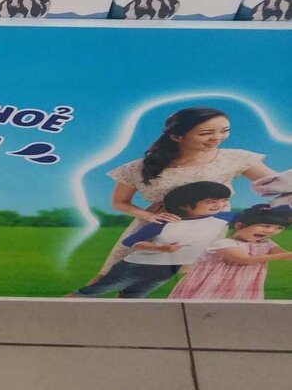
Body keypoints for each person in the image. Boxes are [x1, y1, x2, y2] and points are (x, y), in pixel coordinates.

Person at [95, 106, 277, 276]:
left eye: (224, 130)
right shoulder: (140, 167)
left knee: (196, 278)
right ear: (176, 136)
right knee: (113, 275)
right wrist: (148, 216)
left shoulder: (235, 158)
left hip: (207, 227)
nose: (217, 137)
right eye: (206, 133)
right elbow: (120, 202)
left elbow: (277, 184)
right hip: (156, 226)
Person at [71, 182, 233, 299]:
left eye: (224, 200)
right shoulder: (166, 222)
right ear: (185, 206)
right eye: (211, 202)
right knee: (93, 291)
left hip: (167, 271)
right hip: (136, 267)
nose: (220, 205)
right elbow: (130, 242)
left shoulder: (222, 218)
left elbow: (246, 216)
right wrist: (160, 248)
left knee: (133, 297)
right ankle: (63, 307)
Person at [168, 204, 292, 301]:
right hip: (214, 283)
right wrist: (284, 255)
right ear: (239, 226)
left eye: (279, 228)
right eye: (265, 225)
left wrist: (286, 255)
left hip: (245, 283)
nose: (271, 231)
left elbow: (285, 256)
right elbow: (244, 260)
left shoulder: (266, 243)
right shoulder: (224, 243)